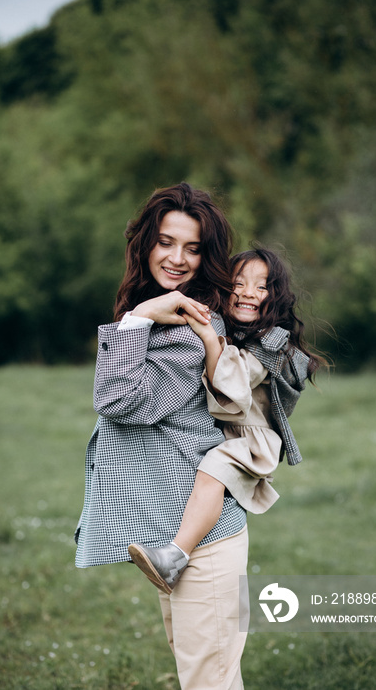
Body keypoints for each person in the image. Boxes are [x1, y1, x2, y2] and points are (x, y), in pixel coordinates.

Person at [74, 182, 249, 690]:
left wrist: (135, 321)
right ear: (145, 243)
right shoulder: (165, 310)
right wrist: (142, 314)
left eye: (193, 248)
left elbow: (120, 402)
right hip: (179, 537)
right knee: (204, 675)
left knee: (209, 681)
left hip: (206, 544)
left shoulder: (191, 326)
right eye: (166, 242)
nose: (177, 258)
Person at [128, 247, 324, 595]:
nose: (249, 293)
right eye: (239, 283)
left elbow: (230, 381)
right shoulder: (233, 332)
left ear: (275, 298)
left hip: (251, 441)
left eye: (262, 287)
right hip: (227, 432)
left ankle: (175, 556)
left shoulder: (270, 345)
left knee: (212, 470)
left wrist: (206, 335)